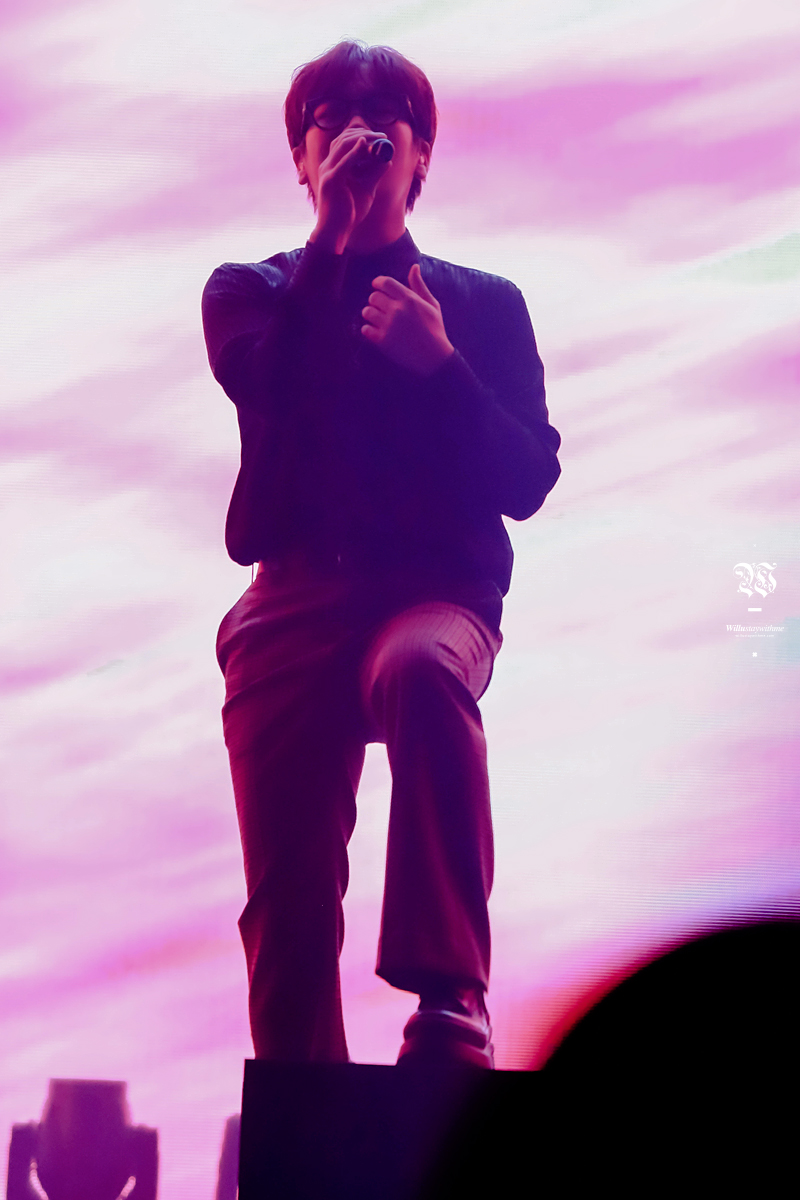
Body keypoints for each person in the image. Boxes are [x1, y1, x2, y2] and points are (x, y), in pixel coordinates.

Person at [201, 39, 561, 1069]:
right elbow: (270, 388)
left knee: (419, 672)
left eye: (382, 118)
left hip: (435, 595)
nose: (356, 133)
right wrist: (330, 240)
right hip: (290, 602)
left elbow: (526, 479)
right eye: (328, 120)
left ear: (422, 154)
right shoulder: (248, 290)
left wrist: (440, 365)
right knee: (288, 893)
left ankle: (449, 999)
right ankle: (303, 1088)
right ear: (299, 157)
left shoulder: (483, 305)